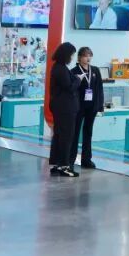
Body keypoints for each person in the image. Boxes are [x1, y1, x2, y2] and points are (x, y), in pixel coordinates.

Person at [69, 47, 105, 169]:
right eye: (85, 55)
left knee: (88, 132)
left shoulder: (95, 70)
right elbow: (72, 90)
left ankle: (86, 159)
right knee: (74, 133)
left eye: (90, 55)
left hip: (91, 106)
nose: (88, 58)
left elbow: (99, 89)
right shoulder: (74, 71)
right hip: (78, 107)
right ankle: (71, 159)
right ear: (79, 57)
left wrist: (100, 106)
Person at [48, 42, 79, 177]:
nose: (72, 58)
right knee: (66, 136)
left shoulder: (58, 67)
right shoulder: (60, 69)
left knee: (59, 135)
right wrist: (78, 80)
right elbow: (69, 87)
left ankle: (57, 163)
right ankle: (64, 165)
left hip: (60, 106)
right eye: (71, 55)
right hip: (65, 108)